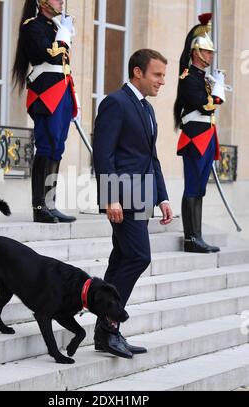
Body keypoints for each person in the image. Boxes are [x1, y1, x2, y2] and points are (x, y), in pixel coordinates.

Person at [93, 49, 173, 359]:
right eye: (157, 75)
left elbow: (151, 158)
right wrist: (110, 195)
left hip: (142, 195)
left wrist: (162, 196)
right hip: (122, 196)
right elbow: (103, 153)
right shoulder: (115, 102)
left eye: (164, 75)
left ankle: (105, 331)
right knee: (139, 257)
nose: (162, 81)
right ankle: (109, 327)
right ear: (137, 73)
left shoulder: (147, 109)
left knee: (122, 259)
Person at [13, 0, 78, 224]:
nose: (61, 1)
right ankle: (39, 206)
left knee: (57, 148)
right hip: (46, 93)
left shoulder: (53, 27)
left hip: (62, 92)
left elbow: (64, 66)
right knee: (47, 146)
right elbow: (49, 55)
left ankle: (50, 204)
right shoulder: (33, 25)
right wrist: (64, 34)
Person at [174, 14, 227, 253]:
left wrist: (215, 87)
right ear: (196, 52)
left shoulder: (202, 79)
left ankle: (197, 235)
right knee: (193, 187)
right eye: (207, 52)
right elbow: (205, 104)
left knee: (200, 190)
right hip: (196, 137)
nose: (210, 56)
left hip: (206, 136)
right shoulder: (188, 78)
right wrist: (217, 92)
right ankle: (190, 238)